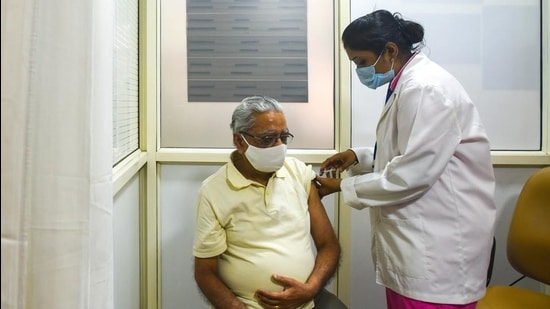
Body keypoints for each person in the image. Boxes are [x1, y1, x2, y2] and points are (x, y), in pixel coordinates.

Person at [315, 9, 497, 309]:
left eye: (361, 61)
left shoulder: (426, 88)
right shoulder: (407, 84)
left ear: (390, 50)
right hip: (419, 249)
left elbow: (411, 174)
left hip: (438, 254)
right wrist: (356, 156)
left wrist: (341, 188)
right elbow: (407, 152)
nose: (360, 70)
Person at [193, 96, 346, 309]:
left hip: (308, 299)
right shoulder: (214, 191)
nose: (279, 146)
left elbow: (328, 245)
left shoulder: (298, 173)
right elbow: (205, 271)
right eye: (268, 138)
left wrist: (310, 289)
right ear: (239, 141)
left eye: (284, 137)